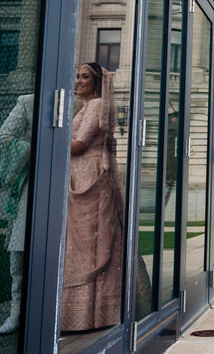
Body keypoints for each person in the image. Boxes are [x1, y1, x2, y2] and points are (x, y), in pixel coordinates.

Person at [61, 62, 123, 331]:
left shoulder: (95, 106)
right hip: (84, 175)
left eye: (84, 76)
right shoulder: (87, 106)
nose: (77, 81)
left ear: (96, 83)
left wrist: (47, 139)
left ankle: (92, 311)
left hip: (89, 176)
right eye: (76, 76)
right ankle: (90, 311)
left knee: (90, 243)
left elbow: (80, 144)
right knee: (86, 242)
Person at [0, 93, 34, 335]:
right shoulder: (27, 102)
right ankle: (16, 312)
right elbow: (2, 137)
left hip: (74, 188)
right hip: (31, 185)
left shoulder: (83, 104)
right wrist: (38, 149)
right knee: (19, 253)